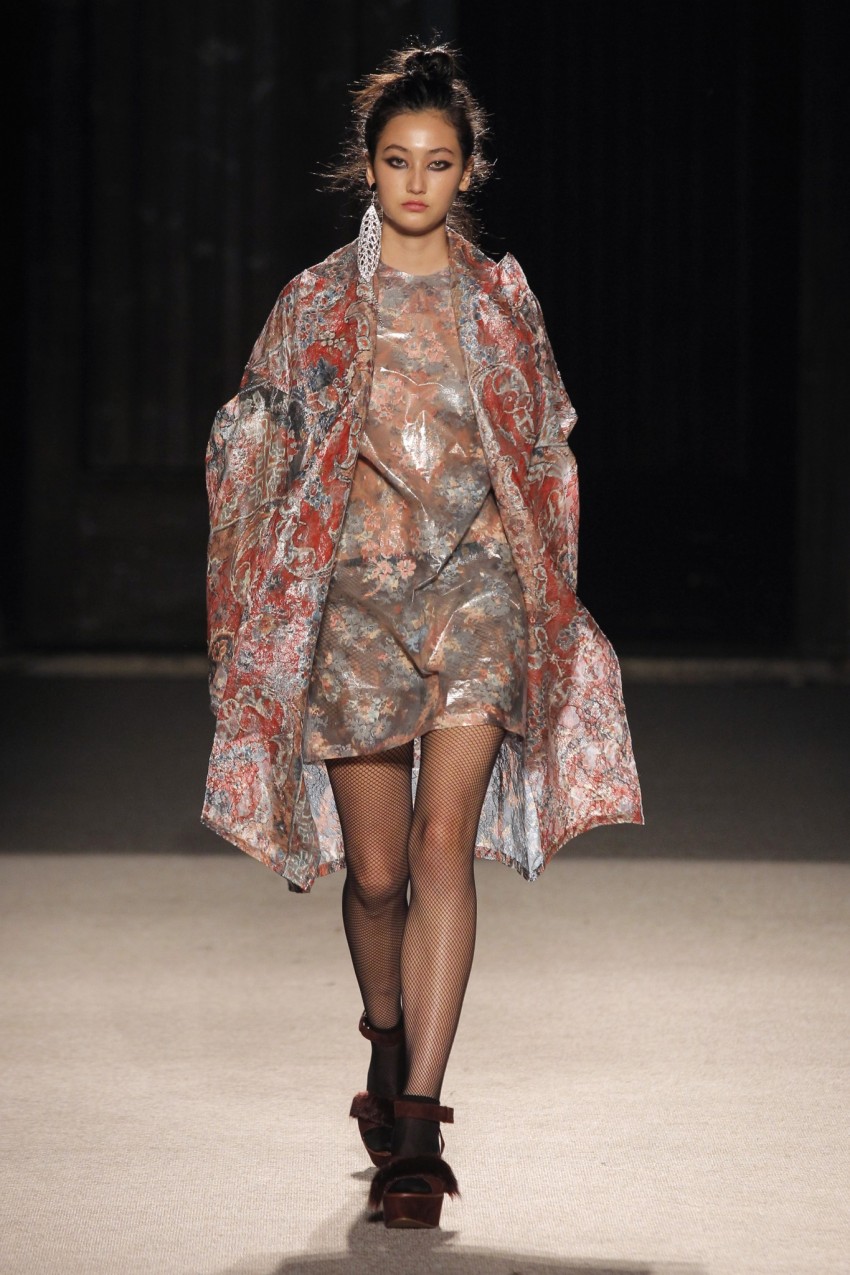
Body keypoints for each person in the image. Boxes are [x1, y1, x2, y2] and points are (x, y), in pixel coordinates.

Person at [202, 43, 642, 1229]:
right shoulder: (312, 304)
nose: (414, 182)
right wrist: (258, 543)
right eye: (396, 161)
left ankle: (416, 1129)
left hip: (476, 592)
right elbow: (250, 441)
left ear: (466, 171)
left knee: (443, 846)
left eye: (436, 163)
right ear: (367, 167)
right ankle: (386, 1036)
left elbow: (544, 448)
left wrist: (545, 586)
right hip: (353, 604)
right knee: (379, 874)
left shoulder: (501, 302)